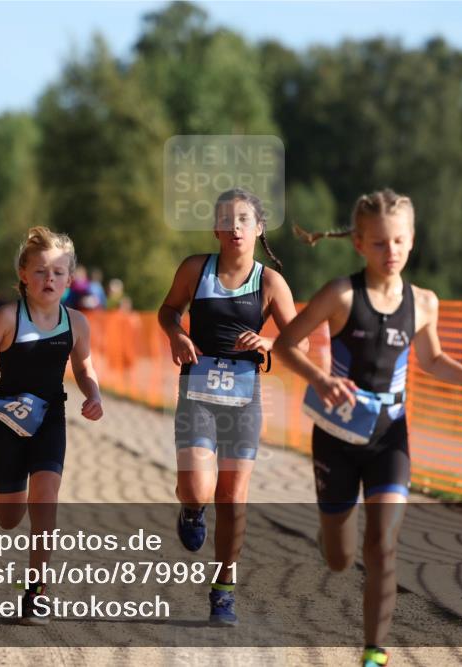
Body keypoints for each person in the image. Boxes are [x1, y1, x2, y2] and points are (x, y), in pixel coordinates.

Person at [274, 188, 462, 667]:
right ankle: (330, 535)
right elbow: (285, 346)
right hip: (336, 436)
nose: (390, 252)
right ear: (358, 243)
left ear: (412, 240)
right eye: (379, 243)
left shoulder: (424, 302)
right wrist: (321, 378)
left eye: (398, 241)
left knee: (383, 545)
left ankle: (374, 653)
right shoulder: (340, 294)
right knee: (339, 556)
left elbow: (432, 358)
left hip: (390, 435)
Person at [157, 187, 305, 626]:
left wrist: (270, 341)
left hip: (244, 399)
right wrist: (177, 334)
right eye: (229, 219)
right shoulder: (194, 269)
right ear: (217, 228)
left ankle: (223, 589)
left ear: (259, 229)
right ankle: (190, 507)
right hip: (197, 395)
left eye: (245, 220)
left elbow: (302, 340)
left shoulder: (271, 282)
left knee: (233, 498)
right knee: (199, 490)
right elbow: (167, 311)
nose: (236, 227)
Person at [0, 226, 103, 625]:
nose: (49, 279)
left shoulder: (75, 323)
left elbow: (84, 365)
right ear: (23, 273)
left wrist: (93, 394)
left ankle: (36, 591)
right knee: (9, 519)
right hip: (6, 422)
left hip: (50, 420)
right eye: (40, 271)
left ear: (70, 279)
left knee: (46, 504)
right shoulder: (8, 317)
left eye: (58, 272)